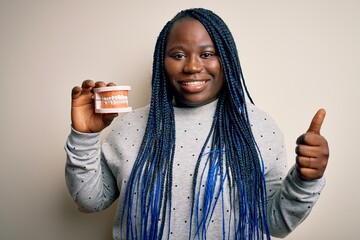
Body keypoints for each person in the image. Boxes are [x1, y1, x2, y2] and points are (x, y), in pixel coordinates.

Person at [65, 8, 329, 240]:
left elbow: (276, 225)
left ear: (226, 60)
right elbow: (90, 201)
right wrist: (84, 137)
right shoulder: (129, 126)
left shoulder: (259, 127)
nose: (192, 66)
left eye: (207, 53)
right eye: (178, 55)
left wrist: (306, 180)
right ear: (162, 62)